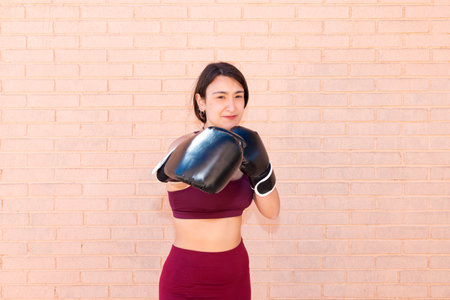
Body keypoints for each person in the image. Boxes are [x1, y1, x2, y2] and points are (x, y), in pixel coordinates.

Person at [153, 62, 280, 299]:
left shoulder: (249, 150)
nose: (231, 106)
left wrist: (262, 170)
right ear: (201, 102)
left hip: (235, 275)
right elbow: (166, 172)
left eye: (238, 96)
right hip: (187, 279)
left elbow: (272, 212)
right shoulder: (184, 147)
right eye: (220, 97)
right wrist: (211, 147)